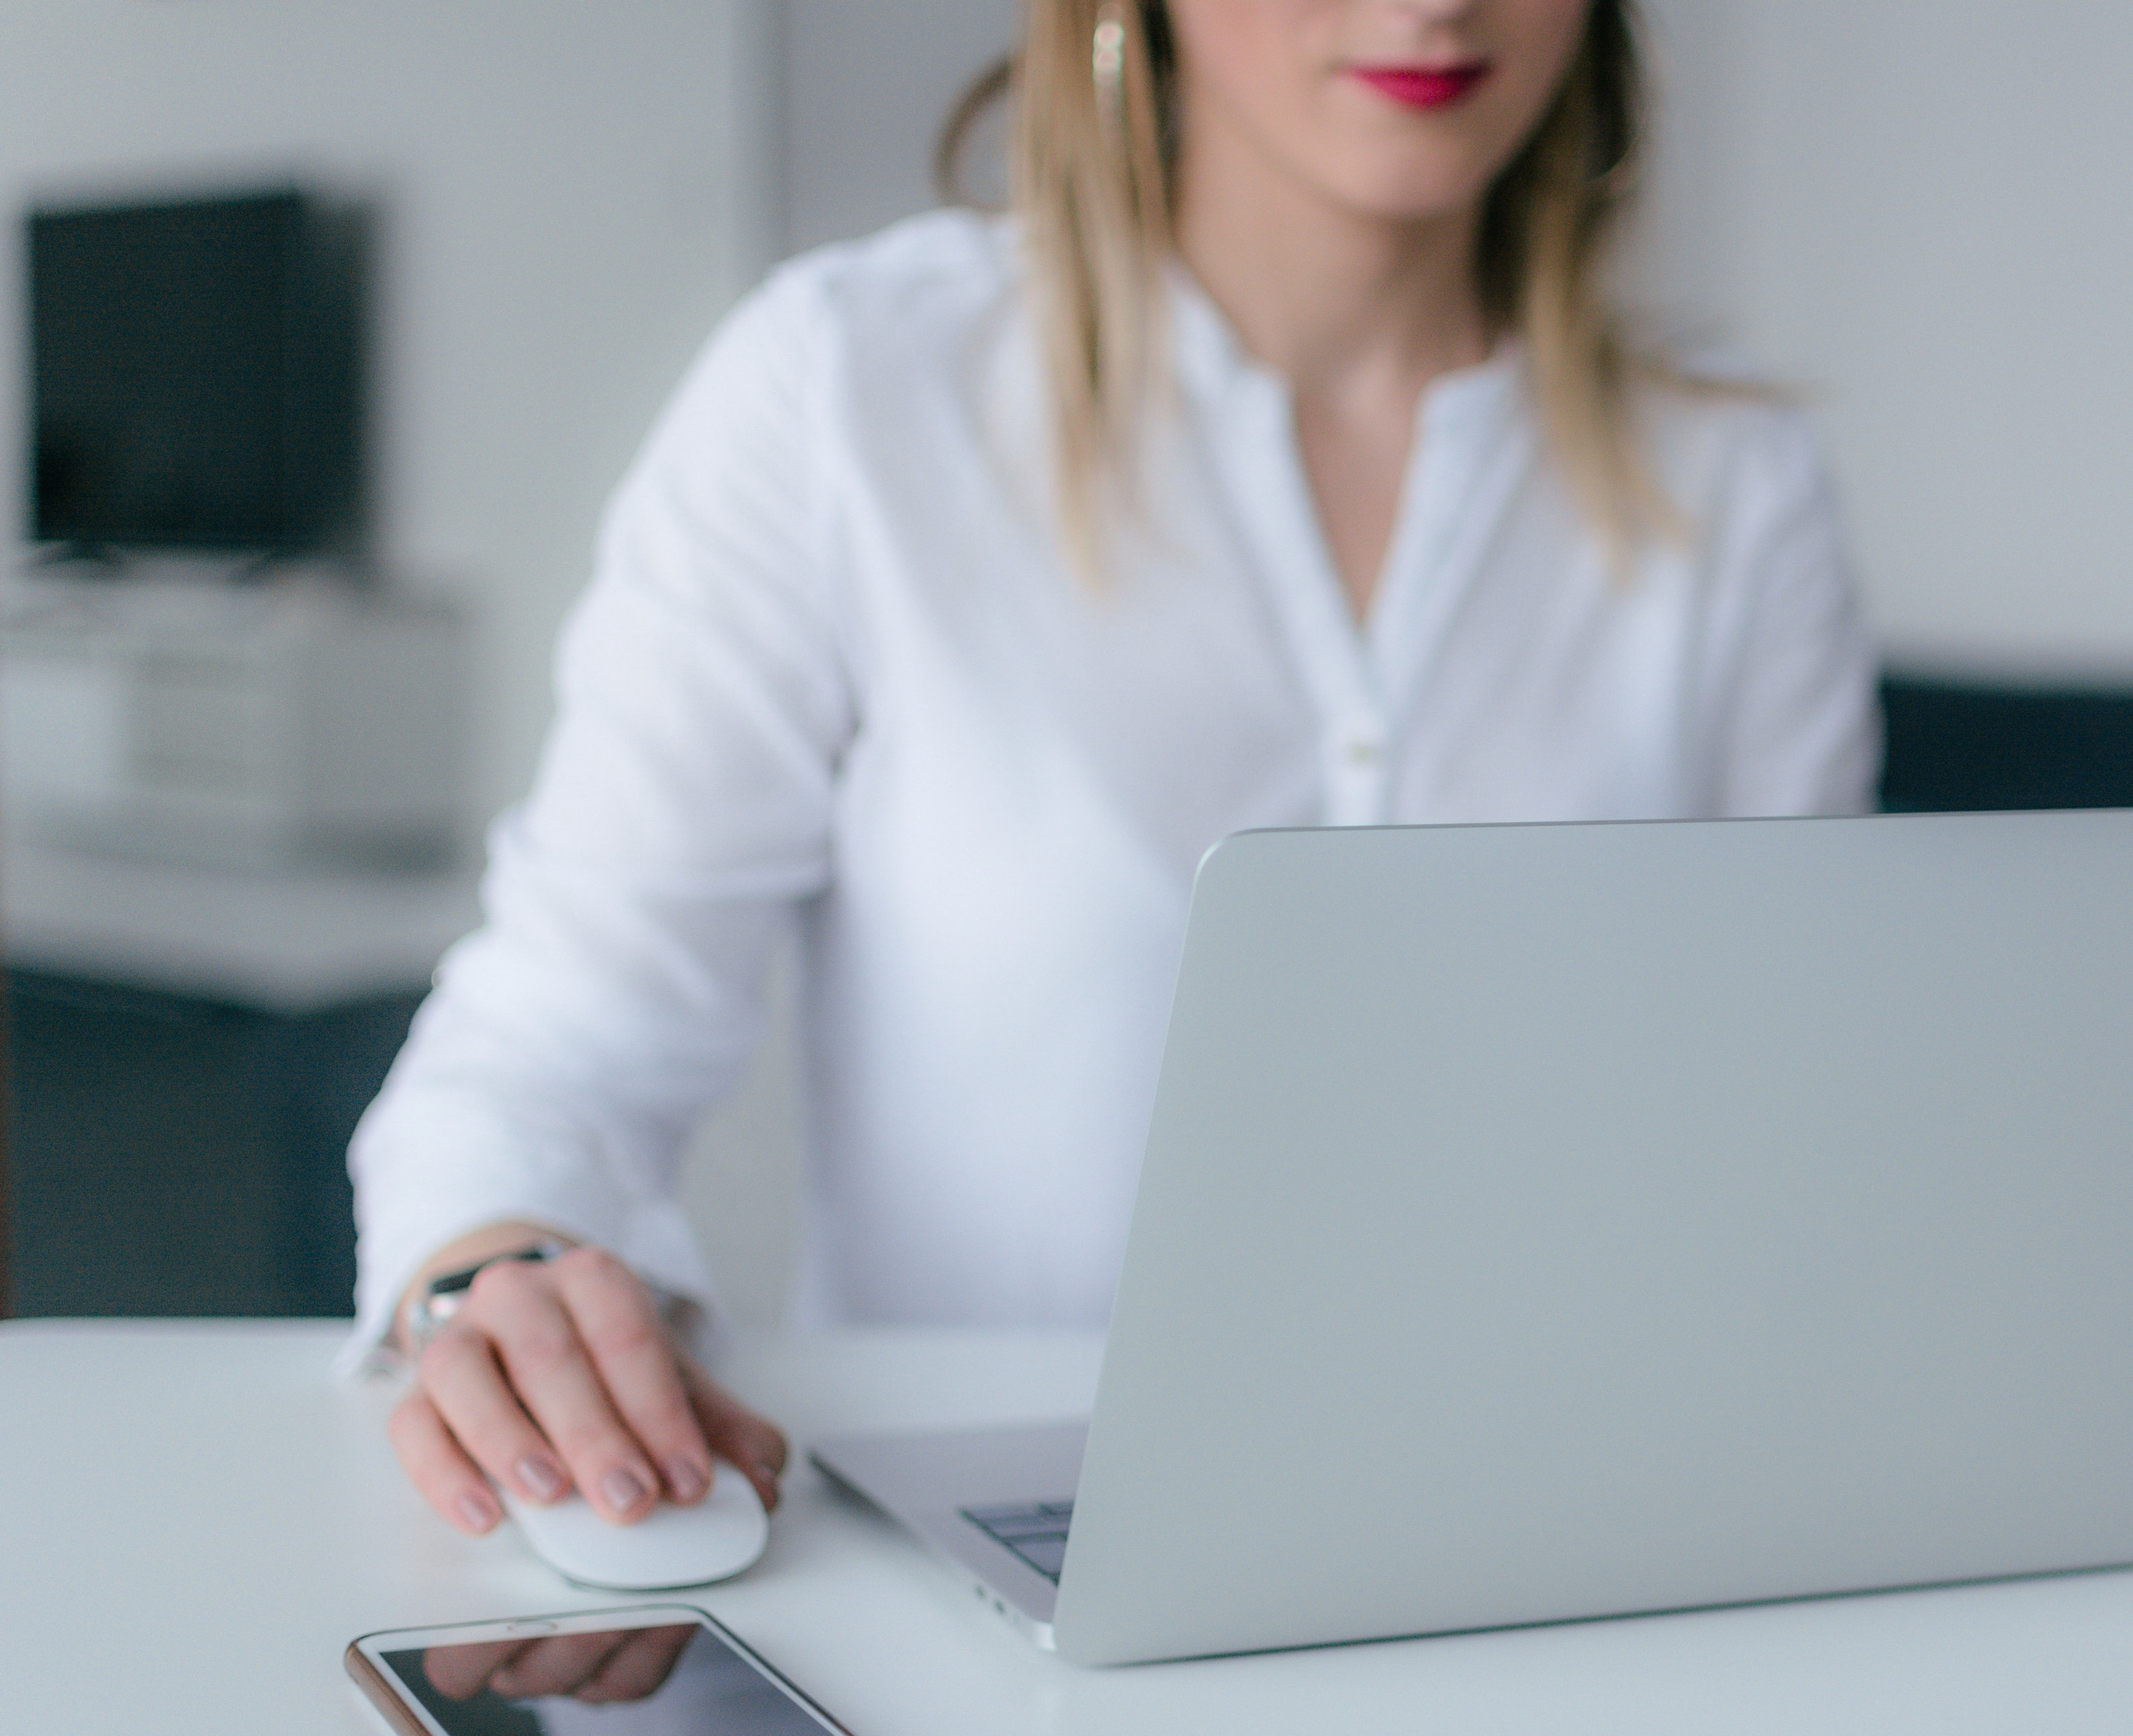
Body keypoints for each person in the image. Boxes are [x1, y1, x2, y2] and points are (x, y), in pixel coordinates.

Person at [348, 0, 1877, 1540]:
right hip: (999, 1543)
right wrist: (497, 1275)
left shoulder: (1734, 484)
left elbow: (1800, 1130)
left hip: (1572, 1534)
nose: (1432, 4)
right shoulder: (849, 395)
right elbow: (554, 1048)